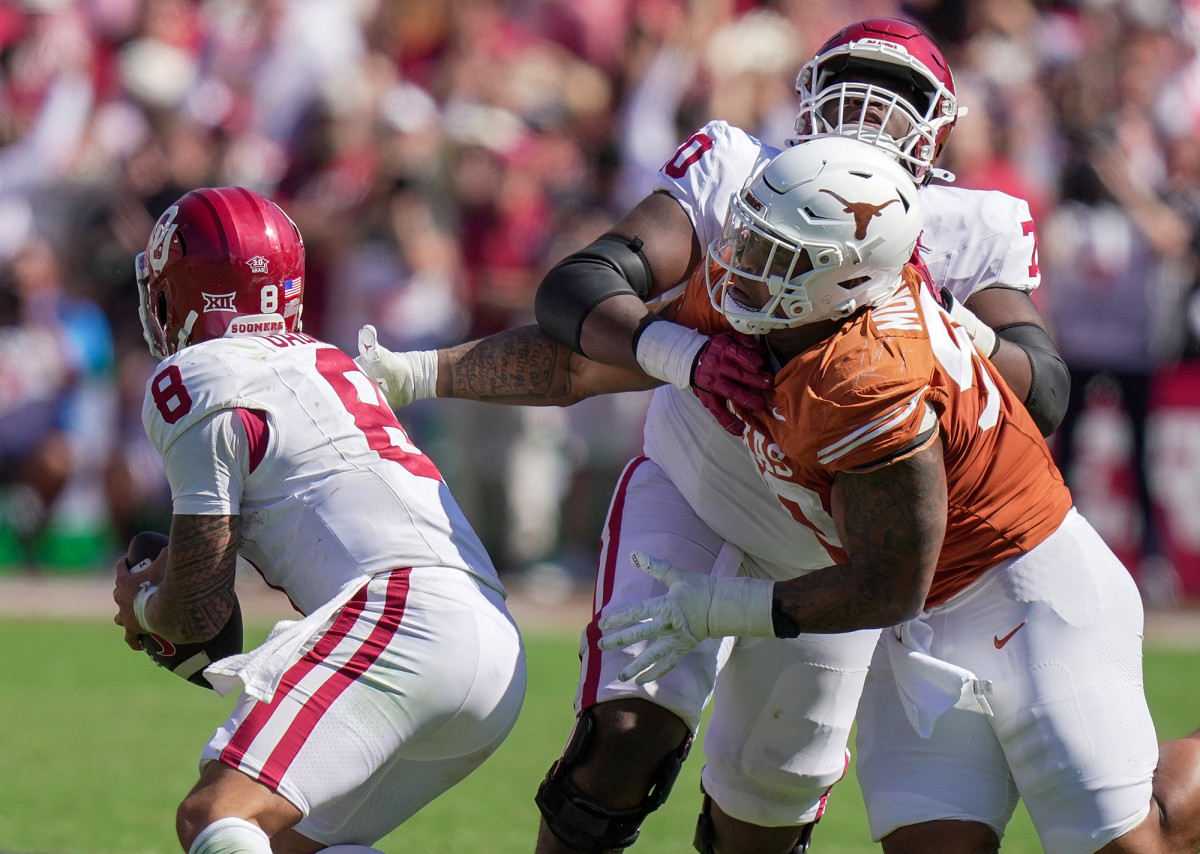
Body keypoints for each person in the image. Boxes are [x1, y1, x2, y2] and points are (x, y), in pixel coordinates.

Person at [357, 18, 1069, 854]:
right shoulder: (739, 169)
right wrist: (681, 352)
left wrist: (953, 334)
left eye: (900, 97)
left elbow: (1042, 385)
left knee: (768, 804)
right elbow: (581, 294)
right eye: (852, 85)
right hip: (698, 483)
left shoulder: (966, 228)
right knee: (625, 733)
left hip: (831, 551)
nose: (871, 110)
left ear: (937, 126)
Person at [595, 136, 1200, 854]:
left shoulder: (869, 373)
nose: (744, 267)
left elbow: (889, 585)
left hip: (1023, 589)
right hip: (918, 620)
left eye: (777, 255)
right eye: (751, 238)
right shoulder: (788, 307)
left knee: (1131, 843)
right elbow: (577, 348)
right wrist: (429, 375)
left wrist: (718, 609)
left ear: (846, 281)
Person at [110, 186, 527, 854]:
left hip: (402, 616)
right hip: (493, 646)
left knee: (219, 818)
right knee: (287, 843)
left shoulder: (198, 374)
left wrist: (146, 606)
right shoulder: (325, 362)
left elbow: (197, 611)